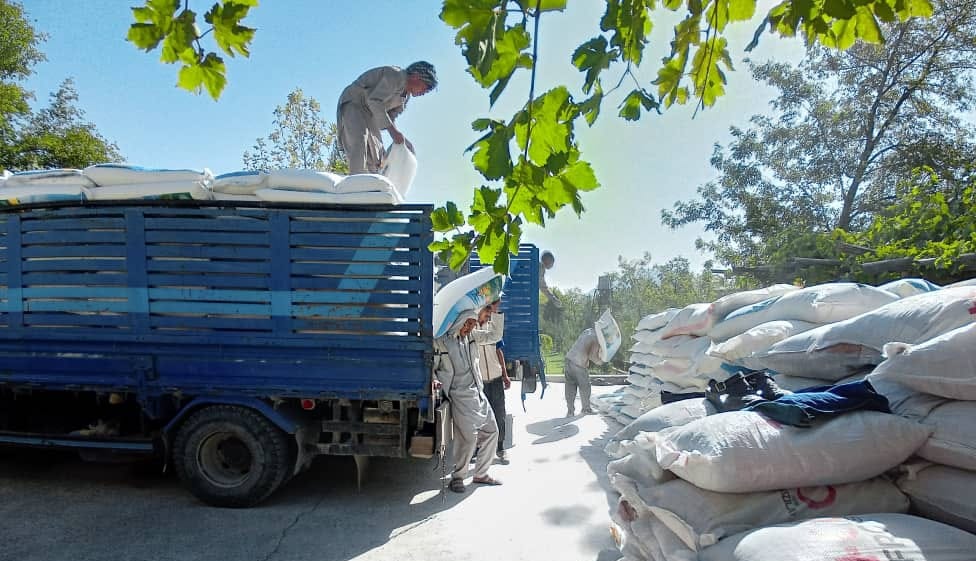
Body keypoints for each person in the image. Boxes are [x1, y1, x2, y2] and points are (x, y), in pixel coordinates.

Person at [432, 306, 505, 493]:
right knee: (468, 439)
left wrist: (496, 312)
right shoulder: (442, 342)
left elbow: (495, 336)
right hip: (459, 395)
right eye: (467, 323)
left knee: (492, 432)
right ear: (458, 322)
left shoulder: (472, 337)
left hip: (478, 392)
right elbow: (432, 366)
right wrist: (434, 380)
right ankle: (457, 477)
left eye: (473, 324)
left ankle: (481, 474)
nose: (470, 328)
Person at [336, 61, 438, 174]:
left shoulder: (404, 99)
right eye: (425, 88)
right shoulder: (395, 75)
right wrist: (394, 133)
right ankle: (355, 183)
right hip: (355, 104)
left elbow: (389, 118)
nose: (424, 93)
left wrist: (403, 140)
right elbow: (374, 100)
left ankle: (371, 186)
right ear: (416, 76)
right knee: (359, 143)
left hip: (371, 116)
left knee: (376, 155)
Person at [477, 300, 511, 465]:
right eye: (486, 310)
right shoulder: (472, 330)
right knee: (481, 415)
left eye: (490, 311)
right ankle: (479, 449)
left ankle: (500, 448)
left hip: (496, 379)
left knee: (499, 414)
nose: (487, 314)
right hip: (480, 381)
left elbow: (499, 352)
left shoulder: (492, 330)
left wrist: (505, 374)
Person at [563, 327, 603, 416]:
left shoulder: (588, 331)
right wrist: (601, 361)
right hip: (579, 363)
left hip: (569, 359)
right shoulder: (596, 339)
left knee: (570, 386)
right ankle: (586, 409)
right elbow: (592, 356)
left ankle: (570, 411)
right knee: (585, 387)